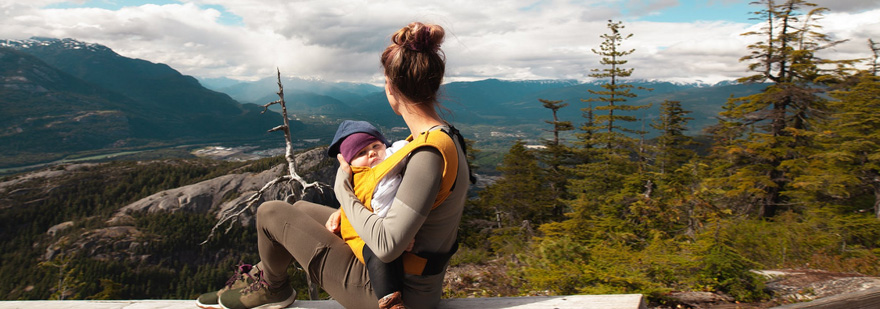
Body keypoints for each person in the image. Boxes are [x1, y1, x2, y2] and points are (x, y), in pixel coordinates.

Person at [195, 21, 472, 309]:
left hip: (395, 292)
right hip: (410, 278)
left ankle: (273, 288)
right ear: (435, 84)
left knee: (271, 212)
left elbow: (388, 246)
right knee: (301, 209)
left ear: (390, 87)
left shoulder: (428, 153)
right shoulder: (439, 138)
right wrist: (346, 209)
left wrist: (344, 189)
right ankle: (264, 277)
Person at [326, 119, 412, 308]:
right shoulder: (360, 177)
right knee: (378, 253)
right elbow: (362, 200)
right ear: (351, 162)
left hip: (389, 229)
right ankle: (389, 300)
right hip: (362, 234)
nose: (371, 152)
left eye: (375, 146)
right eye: (361, 152)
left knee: (391, 256)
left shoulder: (390, 161)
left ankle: (399, 297)